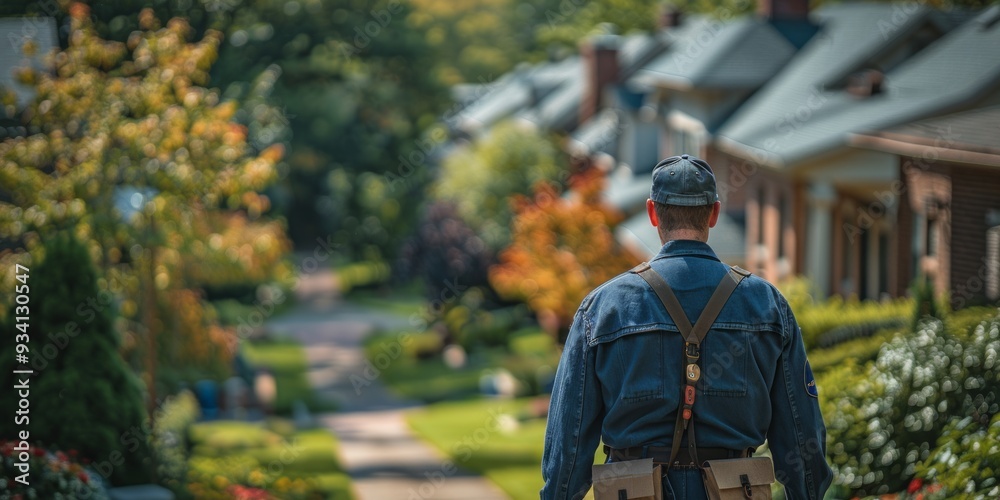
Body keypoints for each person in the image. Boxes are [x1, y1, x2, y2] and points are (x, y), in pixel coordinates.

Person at [540, 154, 832, 499]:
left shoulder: (604, 308)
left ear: (652, 212)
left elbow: (569, 448)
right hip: (738, 490)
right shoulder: (767, 304)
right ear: (714, 213)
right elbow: (802, 440)